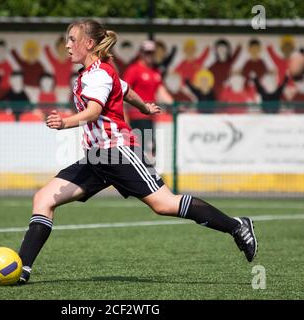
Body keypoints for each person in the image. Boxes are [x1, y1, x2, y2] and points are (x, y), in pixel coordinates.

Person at [17, 19, 258, 284]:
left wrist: (64, 122)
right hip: (97, 158)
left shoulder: (98, 74)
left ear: (89, 43)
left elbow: (94, 111)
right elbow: (126, 89)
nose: (67, 45)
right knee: (43, 199)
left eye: (72, 39)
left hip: (118, 152)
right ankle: (22, 270)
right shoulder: (95, 73)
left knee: (165, 204)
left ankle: (237, 226)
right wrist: (143, 107)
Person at [123, 40, 173, 162]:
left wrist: (176, 106)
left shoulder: (155, 72)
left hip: (150, 117)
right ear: (141, 53)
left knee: (148, 151)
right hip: (136, 117)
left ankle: (146, 176)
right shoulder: (134, 70)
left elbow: (162, 92)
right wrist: (125, 119)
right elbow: (124, 93)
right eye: (147, 53)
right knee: (140, 151)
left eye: (151, 53)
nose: (149, 56)